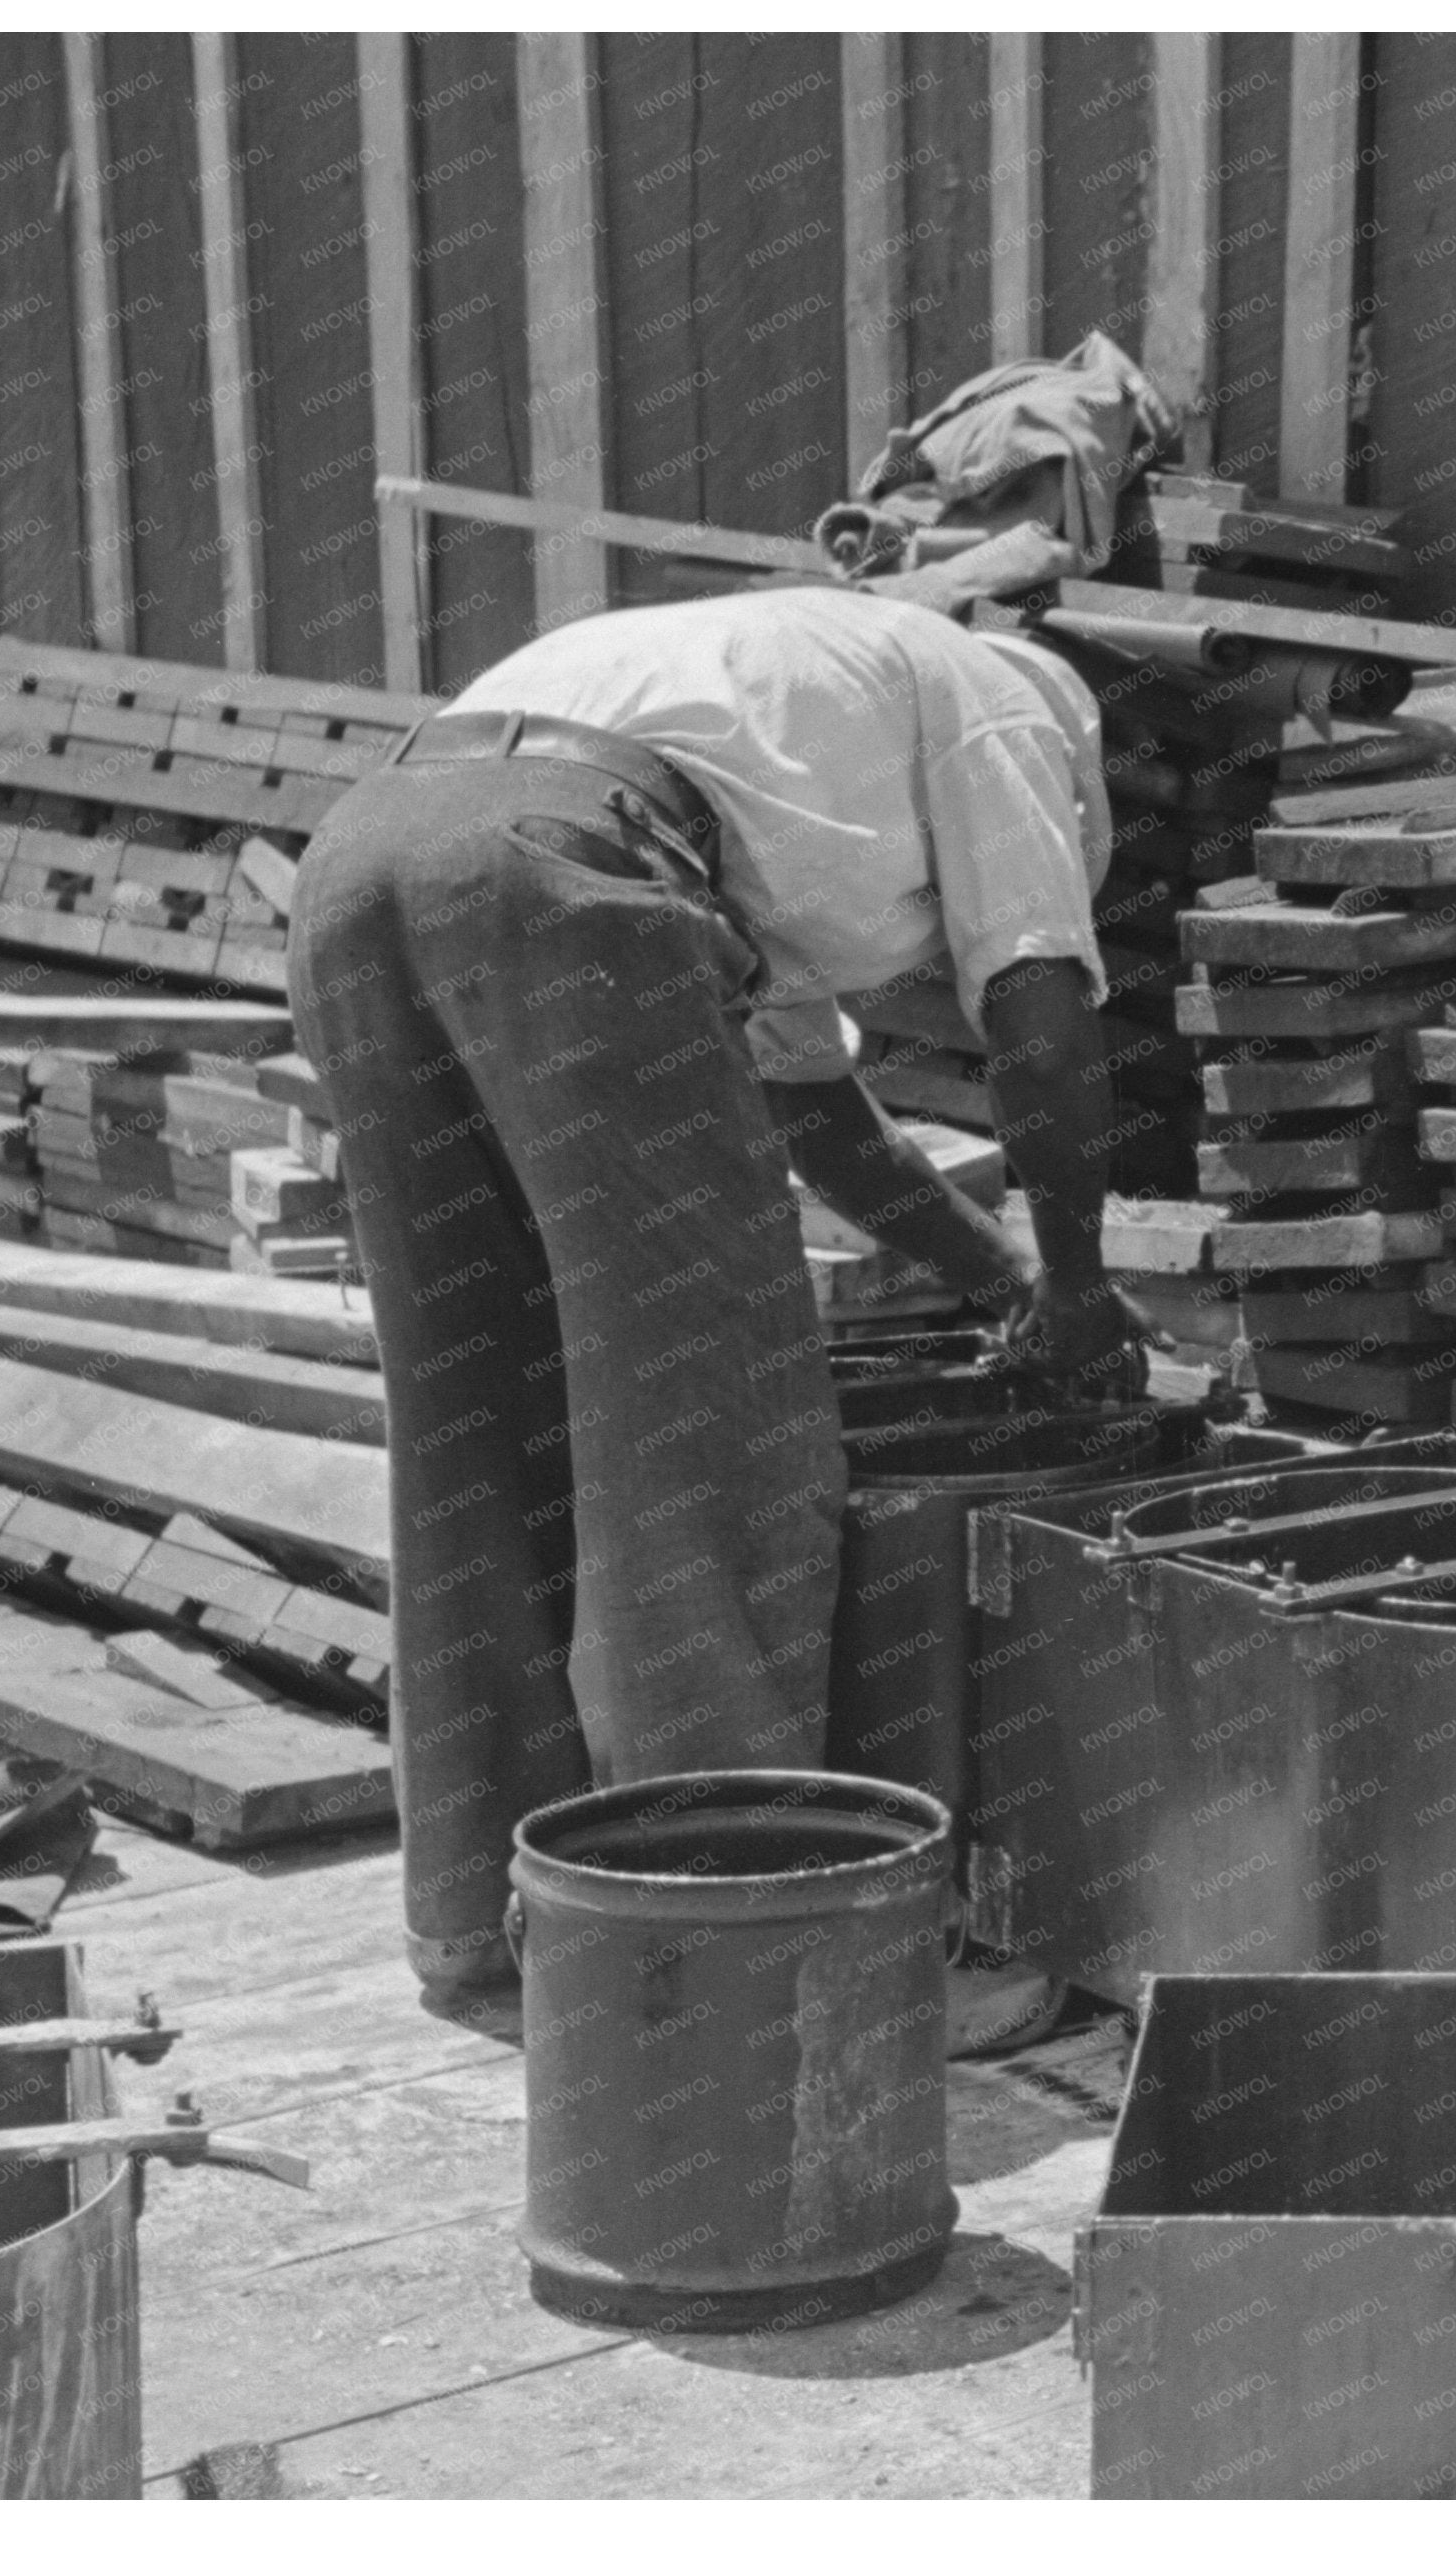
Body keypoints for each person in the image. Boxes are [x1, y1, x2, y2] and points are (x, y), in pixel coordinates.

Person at [287, 586, 1152, 2044]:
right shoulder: (1010, 711)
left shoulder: (793, 727)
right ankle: (737, 1952)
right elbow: (1044, 1022)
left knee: (481, 1418)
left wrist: (998, 1284)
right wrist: (1079, 1286)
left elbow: (824, 1124)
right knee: (713, 1433)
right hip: (567, 876)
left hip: (366, 864)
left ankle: (486, 1917)